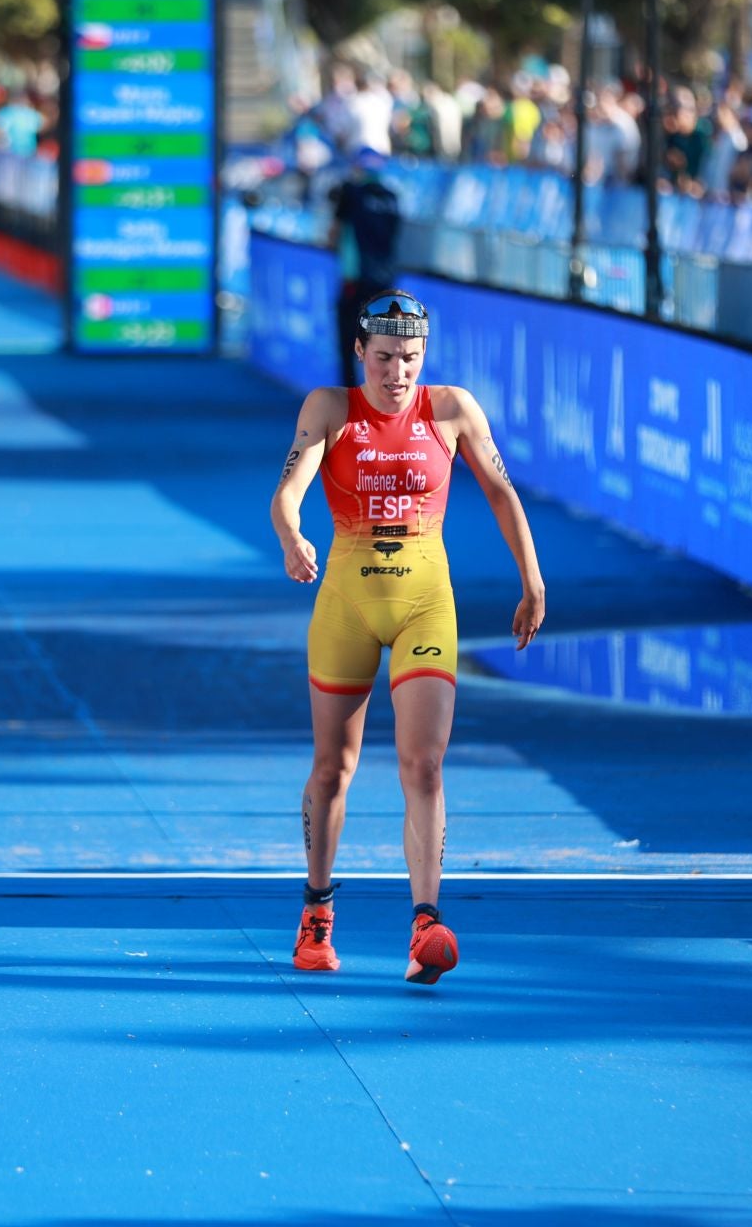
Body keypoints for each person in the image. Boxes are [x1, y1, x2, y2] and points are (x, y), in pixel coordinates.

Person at [270, 291, 546, 984]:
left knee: (423, 764)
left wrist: (532, 579)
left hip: (426, 605)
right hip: (346, 606)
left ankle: (427, 924)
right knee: (334, 768)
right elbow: (289, 489)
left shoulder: (451, 409)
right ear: (360, 353)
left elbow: (502, 492)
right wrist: (290, 534)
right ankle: (317, 912)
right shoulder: (328, 409)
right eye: (387, 358)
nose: (399, 373)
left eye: (412, 359)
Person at [327, 149, 402, 388]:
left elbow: (333, 235)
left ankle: (349, 400)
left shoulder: (351, 193)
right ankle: (383, 396)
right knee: (384, 343)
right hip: (386, 281)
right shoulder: (391, 197)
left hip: (356, 278)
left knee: (350, 341)